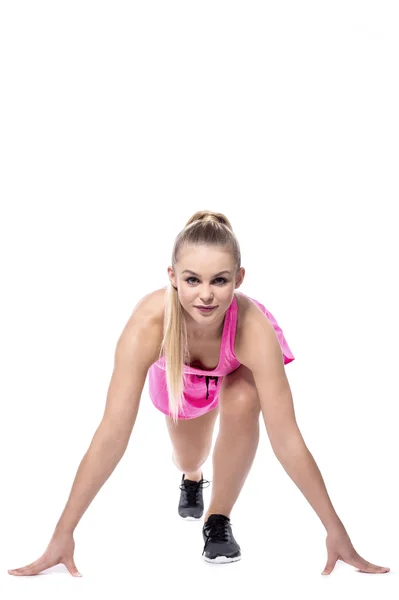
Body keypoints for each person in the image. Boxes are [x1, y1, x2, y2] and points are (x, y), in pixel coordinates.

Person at [8, 210, 390, 576]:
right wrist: (64, 531)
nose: (206, 295)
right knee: (189, 455)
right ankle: (192, 478)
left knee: (242, 399)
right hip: (178, 370)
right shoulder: (148, 327)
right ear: (172, 277)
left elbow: (287, 438)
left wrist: (334, 529)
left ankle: (218, 518)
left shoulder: (253, 330)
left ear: (238, 278)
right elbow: (111, 434)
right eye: (193, 280)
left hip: (235, 367)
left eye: (219, 280)